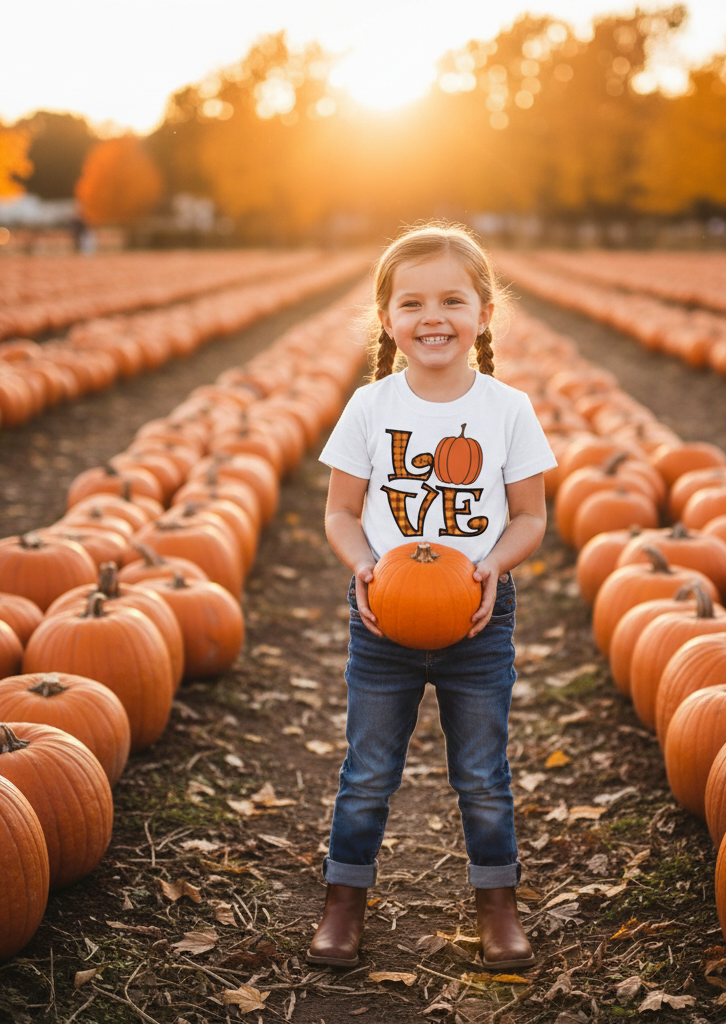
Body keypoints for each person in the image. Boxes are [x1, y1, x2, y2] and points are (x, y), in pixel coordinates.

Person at [308, 223, 556, 970]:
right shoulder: (369, 407)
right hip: (382, 617)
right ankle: (343, 903)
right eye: (412, 302)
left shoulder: (507, 410)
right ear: (387, 318)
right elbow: (340, 512)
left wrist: (493, 569)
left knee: (482, 774)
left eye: (452, 299)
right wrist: (362, 566)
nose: (433, 316)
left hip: (477, 616)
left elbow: (533, 518)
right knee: (366, 773)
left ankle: (497, 905)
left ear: (484, 312)